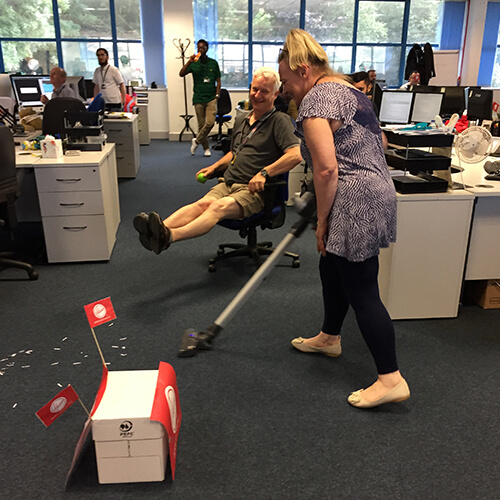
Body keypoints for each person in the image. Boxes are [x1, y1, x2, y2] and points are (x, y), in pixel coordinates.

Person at [278, 29, 409, 409]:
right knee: (331, 267)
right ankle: (329, 337)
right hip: (377, 189)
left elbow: (326, 171)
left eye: (287, 81)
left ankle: (390, 378)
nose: (287, 89)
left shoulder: (317, 98)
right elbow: (379, 143)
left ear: (303, 70)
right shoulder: (352, 91)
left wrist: (321, 222)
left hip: (354, 198)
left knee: (362, 288)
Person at [133, 67, 301, 255]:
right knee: (201, 205)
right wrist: (214, 167)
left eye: (264, 91)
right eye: (255, 89)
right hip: (228, 182)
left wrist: (264, 173)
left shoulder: (280, 121)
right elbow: (234, 152)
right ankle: (155, 231)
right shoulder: (243, 119)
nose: (257, 95)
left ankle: (168, 237)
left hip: (254, 190)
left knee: (216, 207)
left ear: (275, 94)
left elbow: (295, 154)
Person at [180, 39, 221, 158]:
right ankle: (206, 148)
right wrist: (189, 62)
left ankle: (196, 141)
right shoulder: (194, 63)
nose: (200, 50)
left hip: (211, 98)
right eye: (198, 48)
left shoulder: (213, 63)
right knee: (201, 125)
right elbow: (181, 74)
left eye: (202, 48)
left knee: (210, 123)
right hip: (198, 98)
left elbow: (218, 80)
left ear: (207, 49)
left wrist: (217, 95)